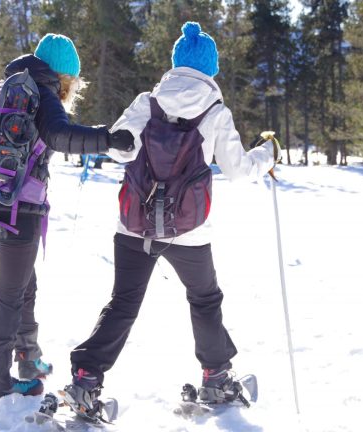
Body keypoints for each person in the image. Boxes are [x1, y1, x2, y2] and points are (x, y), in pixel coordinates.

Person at [60, 22, 279, 415]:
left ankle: (85, 381)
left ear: (176, 65)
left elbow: (120, 150)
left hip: (133, 225)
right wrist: (269, 154)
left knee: (123, 302)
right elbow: (238, 169)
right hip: (190, 231)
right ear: (210, 70)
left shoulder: (147, 101)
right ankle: (215, 378)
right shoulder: (215, 111)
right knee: (204, 299)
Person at [0, 33, 134, 398]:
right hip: (17, 210)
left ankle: (28, 356)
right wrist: (108, 139)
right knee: (10, 296)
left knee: (26, 285)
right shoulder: (43, 91)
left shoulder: (8, 87)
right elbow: (60, 135)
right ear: (65, 77)